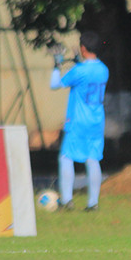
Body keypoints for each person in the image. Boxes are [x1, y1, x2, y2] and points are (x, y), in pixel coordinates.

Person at [50, 31, 109, 211]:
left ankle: (67, 200)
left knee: (66, 158)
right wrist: (77, 61)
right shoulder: (103, 69)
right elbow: (87, 77)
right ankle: (93, 203)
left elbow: (55, 84)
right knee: (92, 159)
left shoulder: (79, 71)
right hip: (96, 121)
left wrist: (57, 64)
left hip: (78, 122)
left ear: (83, 48)